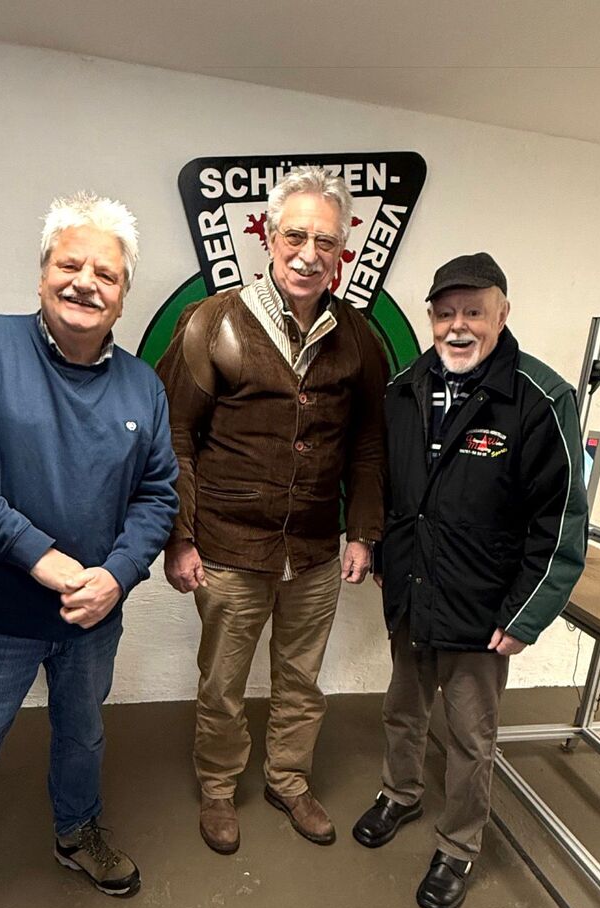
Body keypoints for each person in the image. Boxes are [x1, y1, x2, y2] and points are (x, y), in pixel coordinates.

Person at [0, 191, 179, 908]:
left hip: (93, 617)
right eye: (71, 264)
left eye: (107, 274)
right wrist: (42, 557)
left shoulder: (142, 387)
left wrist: (118, 576)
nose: (86, 281)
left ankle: (76, 833)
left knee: (83, 734)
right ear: (41, 275)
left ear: (123, 296)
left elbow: (158, 495)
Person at [157, 166, 388, 854]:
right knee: (223, 684)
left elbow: (369, 443)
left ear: (342, 252)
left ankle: (289, 780)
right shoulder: (212, 322)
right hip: (227, 549)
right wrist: (179, 537)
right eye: (295, 236)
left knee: (300, 680)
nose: (309, 254)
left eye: (326, 241)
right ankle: (219, 788)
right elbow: (174, 436)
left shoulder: (358, 336)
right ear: (267, 236)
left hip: (315, 550)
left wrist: (362, 531)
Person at [352, 252, 587, 908]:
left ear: (502, 314)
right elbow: (388, 484)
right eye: (446, 313)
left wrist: (526, 613)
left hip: (483, 607)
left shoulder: (540, 399)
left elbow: (560, 520)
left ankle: (458, 844)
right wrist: (380, 551)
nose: (458, 327)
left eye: (474, 313)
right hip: (411, 591)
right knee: (403, 708)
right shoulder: (403, 389)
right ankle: (400, 793)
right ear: (431, 317)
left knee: (469, 735)